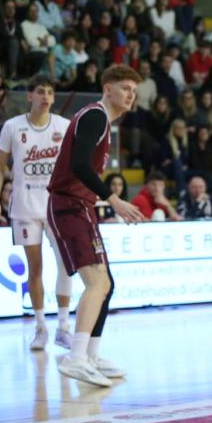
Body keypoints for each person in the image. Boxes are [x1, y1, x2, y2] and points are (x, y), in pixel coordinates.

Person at [46, 65, 146, 386]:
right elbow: (78, 165)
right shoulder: (95, 116)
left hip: (81, 206)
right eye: (126, 88)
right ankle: (75, 358)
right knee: (97, 285)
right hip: (69, 204)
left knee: (107, 285)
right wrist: (113, 199)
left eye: (134, 90)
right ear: (107, 88)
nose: (131, 95)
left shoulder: (99, 119)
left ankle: (90, 354)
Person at [0, 76, 75, 351]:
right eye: (40, 92)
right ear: (30, 96)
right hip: (25, 206)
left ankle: (63, 327)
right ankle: (40, 327)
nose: (46, 96)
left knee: (65, 265)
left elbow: (76, 165)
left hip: (56, 206)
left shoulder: (63, 125)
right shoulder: (13, 126)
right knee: (35, 268)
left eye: (50, 92)